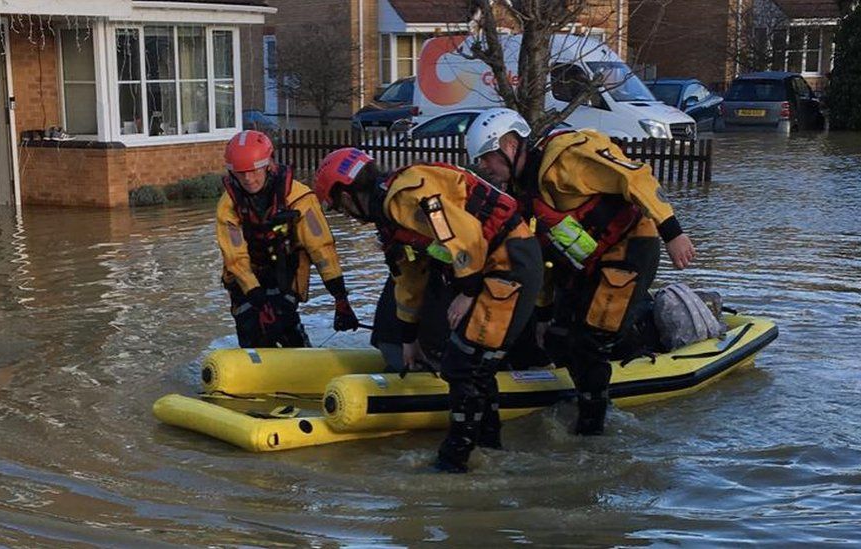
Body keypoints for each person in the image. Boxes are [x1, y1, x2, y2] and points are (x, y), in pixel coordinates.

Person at [465, 108, 696, 435]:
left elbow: (635, 177)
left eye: (487, 157)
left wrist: (672, 232)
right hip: (588, 262)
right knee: (558, 339)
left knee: (587, 344)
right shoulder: (523, 195)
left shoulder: (567, 158)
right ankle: (621, 350)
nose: (484, 167)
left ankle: (592, 432)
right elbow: (540, 254)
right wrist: (543, 312)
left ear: (511, 144)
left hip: (630, 248)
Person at [313, 148, 543, 473]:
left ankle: (454, 462)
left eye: (339, 206)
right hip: (490, 266)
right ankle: (488, 449)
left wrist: (467, 290)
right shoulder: (390, 216)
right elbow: (409, 278)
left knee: (462, 364)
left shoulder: (406, 195)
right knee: (475, 365)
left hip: (510, 261)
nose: (346, 215)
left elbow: (463, 234)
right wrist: (409, 337)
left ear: (348, 195)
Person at [216, 130, 359, 348]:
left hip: (287, 272)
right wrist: (258, 299)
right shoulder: (228, 205)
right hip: (247, 280)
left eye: (253, 171)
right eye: (241, 173)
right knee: (249, 325)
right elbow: (235, 257)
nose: (248, 179)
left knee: (284, 320)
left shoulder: (300, 198)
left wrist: (340, 298)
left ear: (268, 164)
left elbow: (321, 249)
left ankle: (301, 355)